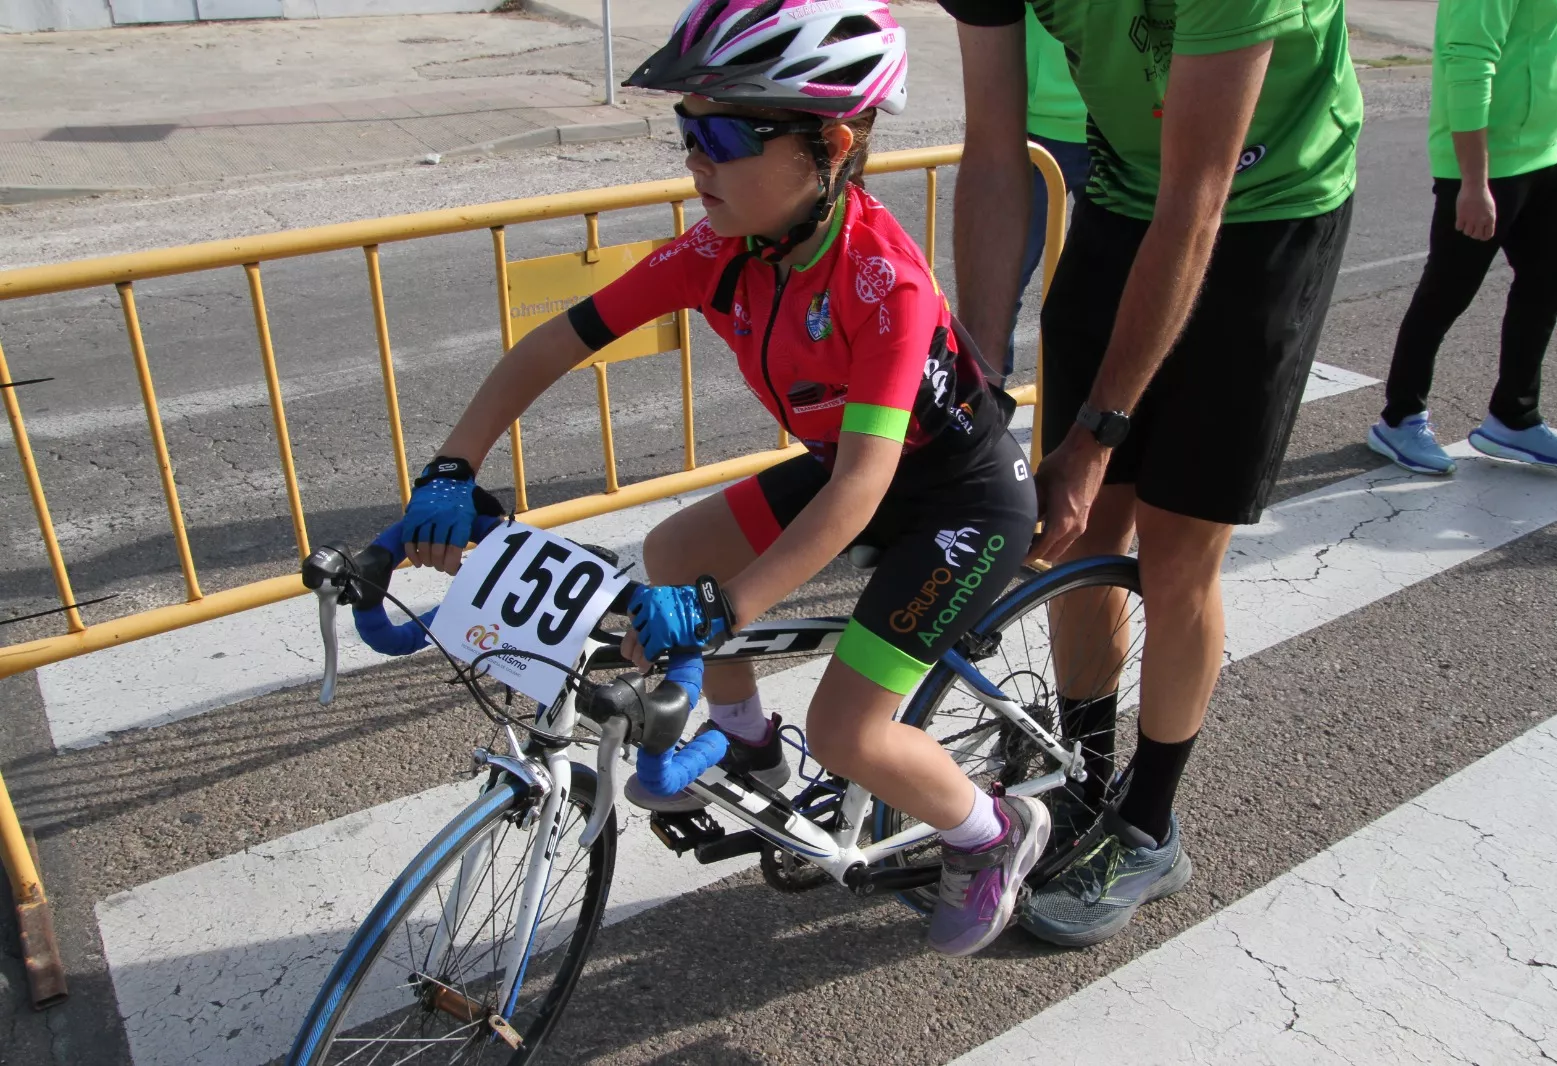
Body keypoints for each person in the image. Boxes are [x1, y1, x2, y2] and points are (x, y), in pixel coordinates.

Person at [397, 0, 1046, 958]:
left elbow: (858, 493)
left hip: (960, 502)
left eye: (725, 132)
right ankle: (746, 741)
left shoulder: (884, 285)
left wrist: (723, 607)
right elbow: (553, 345)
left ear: (831, 141)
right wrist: (452, 468)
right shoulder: (719, 250)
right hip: (856, 473)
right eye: (687, 129)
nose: (696, 158)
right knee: (675, 550)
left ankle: (989, 833)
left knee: (848, 731)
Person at [938, 0, 1361, 948]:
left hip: (1266, 206)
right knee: (1076, 531)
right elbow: (997, 156)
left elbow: (1198, 201)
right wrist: (980, 378)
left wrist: (1096, 436)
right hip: (1127, 194)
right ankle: (1084, 783)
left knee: (1175, 550)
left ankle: (1149, 825)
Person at [1366, 0, 1557, 476]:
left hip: (1549, 151)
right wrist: (1472, 182)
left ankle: (1514, 415)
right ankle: (1399, 417)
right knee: (1448, 291)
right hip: (1487, 166)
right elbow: (1467, 65)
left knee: (1555, 272)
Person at [1001, 8, 1091, 381]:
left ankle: (1092, 412)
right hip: (1031, 127)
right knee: (1003, 284)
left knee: (1109, 282)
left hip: (1117, 125)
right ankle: (986, 414)